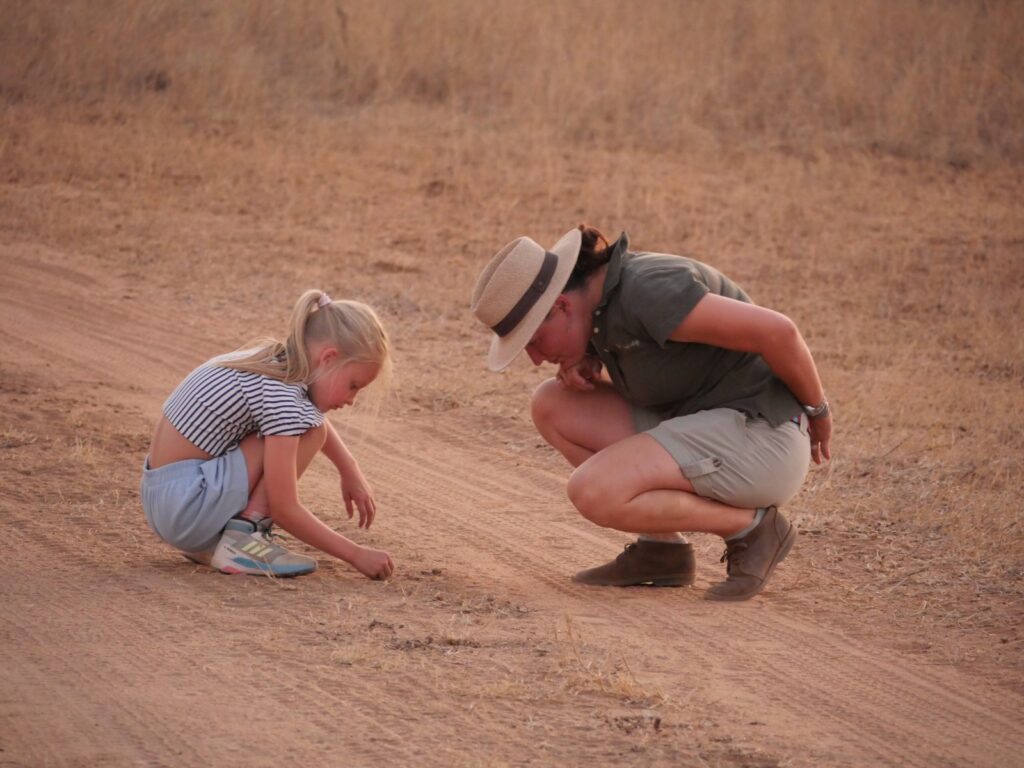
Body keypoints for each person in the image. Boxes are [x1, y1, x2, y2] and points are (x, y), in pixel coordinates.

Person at [470, 225, 832, 600]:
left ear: (561, 305)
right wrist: (592, 355)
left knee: (593, 491)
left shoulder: (647, 289)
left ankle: (753, 529)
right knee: (553, 405)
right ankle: (663, 551)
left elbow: (779, 332)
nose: (535, 359)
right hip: (709, 424)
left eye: (533, 341)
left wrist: (818, 410)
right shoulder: (598, 303)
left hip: (762, 439)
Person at [141, 289, 395, 580]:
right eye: (353, 385)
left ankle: (218, 539)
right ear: (328, 358)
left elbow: (314, 422)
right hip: (186, 508)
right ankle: (243, 538)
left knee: (309, 427)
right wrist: (356, 554)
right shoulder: (283, 396)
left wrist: (348, 468)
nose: (352, 399)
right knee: (307, 431)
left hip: (167, 499)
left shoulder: (269, 362)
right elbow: (284, 508)